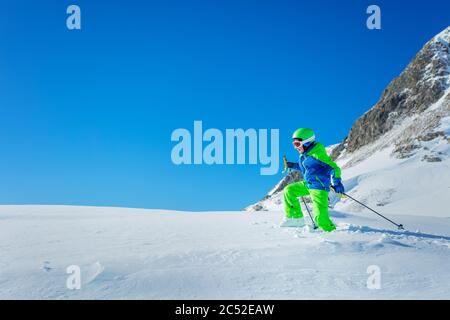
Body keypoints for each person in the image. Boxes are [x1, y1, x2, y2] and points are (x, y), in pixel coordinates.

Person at [282, 128, 344, 231]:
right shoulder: (305, 155)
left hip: (319, 187)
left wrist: (337, 183)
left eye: (297, 144)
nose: (295, 147)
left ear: (306, 142)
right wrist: (291, 165)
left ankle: (330, 231)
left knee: (320, 219)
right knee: (289, 190)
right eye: (294, 144)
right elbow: (306, 167)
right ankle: (296, 219)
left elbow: (334, 168)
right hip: (308, 184)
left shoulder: (317, 155)